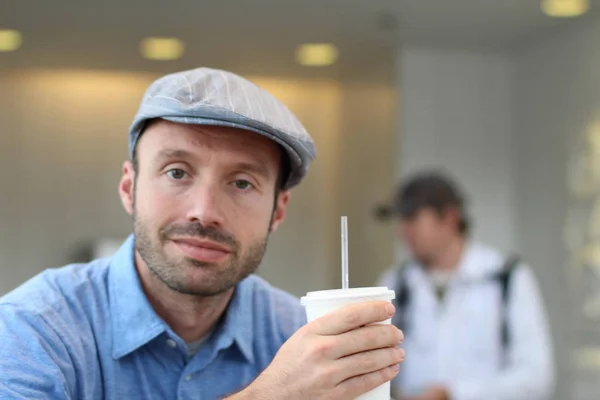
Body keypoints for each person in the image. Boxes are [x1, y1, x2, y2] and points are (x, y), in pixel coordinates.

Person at [0, 67, 405, 399]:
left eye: (242, 183)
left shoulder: (300, 337)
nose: (205, 212)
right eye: (177, 172)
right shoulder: (33, 330)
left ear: (278, 210)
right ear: (129, 187)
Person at [375, 170, 555, 400]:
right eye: (400, 221)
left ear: (449, 218)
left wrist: (452, 394)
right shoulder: (396, 283)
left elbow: (536, 378)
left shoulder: (506, 278)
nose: (403, 232)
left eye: (412, 218)